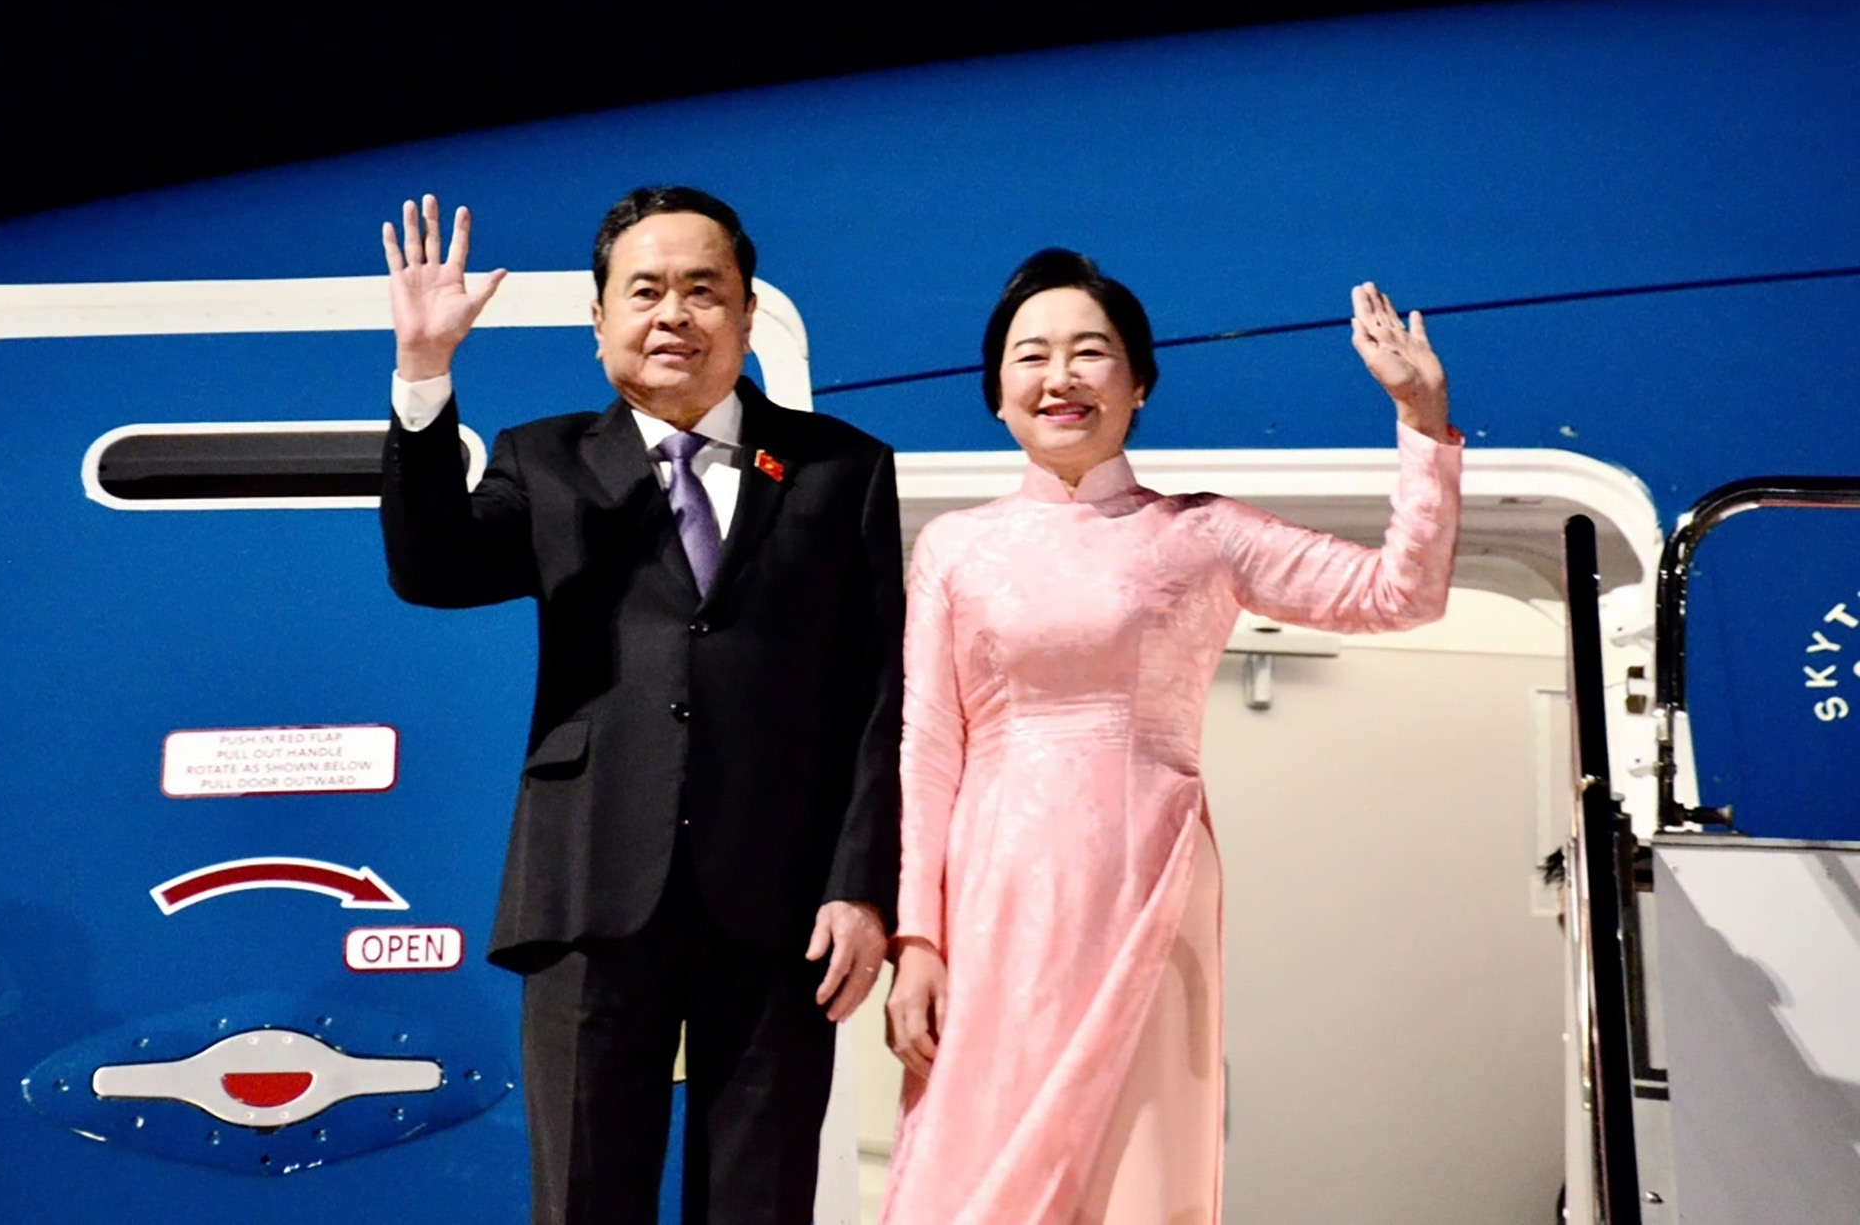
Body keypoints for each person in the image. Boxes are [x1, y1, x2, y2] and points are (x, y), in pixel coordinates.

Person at [879, 250, 1463, 1224]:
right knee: (972, 1167)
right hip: (991, 900)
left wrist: (1420, 419)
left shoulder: (1202, 534)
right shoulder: (954, 546)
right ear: (996, 394)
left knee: (1139, 1167)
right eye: (1031, 356)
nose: (1060, 377)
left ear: (1139, 382)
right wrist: (917, 939)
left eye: (1090, 351)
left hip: (1146, 882)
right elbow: (928, 750)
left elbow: (1401, 594)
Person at [379, 187, 904, 1225]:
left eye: (703, 290)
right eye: (646, 290)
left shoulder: (841, 468)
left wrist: (860, 887)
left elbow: (878, 692)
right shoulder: (546, 459)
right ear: (599, 321)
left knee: (760, 1200)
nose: (674, 314)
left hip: (780, 902)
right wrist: (424, 371)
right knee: (585, 1199)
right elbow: (431, 567)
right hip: (589, 887)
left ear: (745, 316)